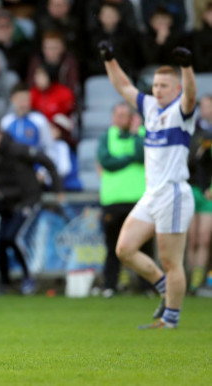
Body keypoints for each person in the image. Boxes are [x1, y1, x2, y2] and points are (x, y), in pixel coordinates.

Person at [98, 41, 197, 329]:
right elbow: (124, 86)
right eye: (155, 85)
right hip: (152, 194)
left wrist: (187, 67)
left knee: (170, 259)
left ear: (175, 89)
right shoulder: (150, 107)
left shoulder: (181, 111)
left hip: (174, 194)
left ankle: (171, 320)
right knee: (124, 249)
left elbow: (191, 95)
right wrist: (109, 58)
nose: (158, 90)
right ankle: (165, 288)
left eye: (164, 85)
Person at [0, 122, 63, 295]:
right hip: (7, 204)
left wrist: (58, 189)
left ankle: (29, 278)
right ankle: (4, 283)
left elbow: (47, 161)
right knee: (1, 242)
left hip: (27, 201)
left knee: (14, 237)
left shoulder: (17, 149)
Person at [96, 103, 153, 298]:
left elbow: (143, 155)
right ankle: (110, 285)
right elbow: (106, 162)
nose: (122, 119)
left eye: (126, 115)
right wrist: (130, 159)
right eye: (118, 115)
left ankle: (148, 287)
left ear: (132, 118)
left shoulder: (143, 134)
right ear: (113, 117)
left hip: (140, 200)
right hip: (113, 200)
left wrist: (137, 134)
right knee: (112, 246)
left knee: (144, 246)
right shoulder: (107, 136)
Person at [186, 94, 212, 294]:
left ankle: (197, 280)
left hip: (208, 192)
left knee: (204, 238)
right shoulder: (191, 131)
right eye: (202, 106)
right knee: (191, 238)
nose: (205, 109)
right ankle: (187, 280)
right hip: (189, 188)